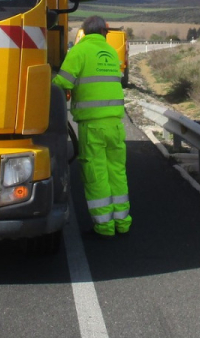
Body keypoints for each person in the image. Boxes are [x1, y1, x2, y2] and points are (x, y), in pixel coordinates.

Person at [53, 16, 131, 238]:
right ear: (105, 32)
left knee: (96, 175)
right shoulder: (109, 53)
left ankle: (105, 227)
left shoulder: (79, 51)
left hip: (93, 125)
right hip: (115, 124)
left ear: (85, 33)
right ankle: (123, 223)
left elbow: (61, 84)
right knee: (116, 172)